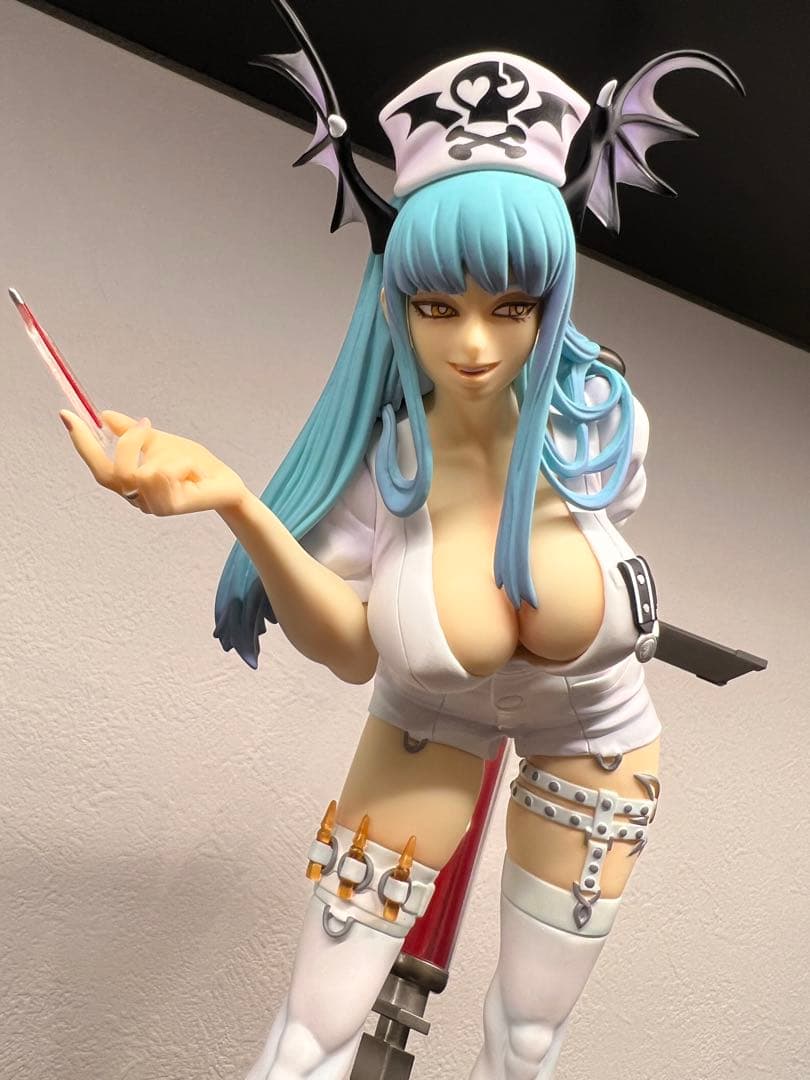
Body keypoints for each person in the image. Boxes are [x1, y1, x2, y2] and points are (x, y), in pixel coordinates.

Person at [60, 23, 741, 1080]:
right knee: (311, 1040)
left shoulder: (599, 420)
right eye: (437, 306)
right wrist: (234, 500)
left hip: (598, 737)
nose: (474, 344)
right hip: (428, 725)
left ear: (551, 301)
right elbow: (350, 649)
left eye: (511, 307)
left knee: (525, 1046)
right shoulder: (385, 464)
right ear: (398, 299)